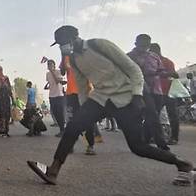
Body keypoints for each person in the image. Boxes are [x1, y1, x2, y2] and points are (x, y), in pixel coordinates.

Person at [28, 25, 193, 187]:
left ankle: (180, 162)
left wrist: (137, 95)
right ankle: (53, 171)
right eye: (59, 45)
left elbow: (133, 69)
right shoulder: (74, 60)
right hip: (101, 97)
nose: (62, 48)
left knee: (138, 147)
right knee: (73, 126)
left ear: (74, 38)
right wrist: (85, 116)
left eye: (64, 43)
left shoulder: (99, 45)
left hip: (125, 96)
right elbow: (83, 89)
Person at [127, 34, 168, 150]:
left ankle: (143, 140)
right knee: (151, 115)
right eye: (142, 44)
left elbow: (161, 71)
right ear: (136, 44)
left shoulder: (154, 56)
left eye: (147, 44)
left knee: (153, 115)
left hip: (156, 89)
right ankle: (161, 144)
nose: (145, 47)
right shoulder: (129, 57)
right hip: (140, 90)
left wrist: (168, 74)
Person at [150, 43, 180, 145]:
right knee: (165, 115)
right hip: (162, 92)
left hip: (163, 92)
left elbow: (173, 75)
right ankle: (170, 137)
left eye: (151, 51)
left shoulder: (158, 62)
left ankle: (172, 137)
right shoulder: (168, 62)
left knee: (157, 115)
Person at [44, 60, 66, 137]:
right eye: (48, 64)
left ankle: (62, 130)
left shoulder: (58, 72)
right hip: (52, 96)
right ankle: (61, 129)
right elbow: (50, 83)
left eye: (51, 64)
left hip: (59, 95)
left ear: (54, 65)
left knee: (60, 113)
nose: (49, 66)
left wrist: (52, 71)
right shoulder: (47, 74)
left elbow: (57, 81)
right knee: (55, 113)